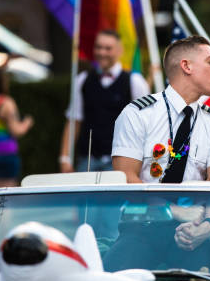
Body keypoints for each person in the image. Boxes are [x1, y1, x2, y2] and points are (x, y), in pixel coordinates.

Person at [112, 35, 210, 184]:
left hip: (195, 206)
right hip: (147, 206)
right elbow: (126, 177)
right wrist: (160, 208)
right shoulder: (138, 114)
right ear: (187, 66)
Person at [60, 29, 150, 173]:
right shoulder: (82, 80)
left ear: (120, 50)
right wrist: (65, 158)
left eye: (108, 48)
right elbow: (73, 121)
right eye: (98, 47)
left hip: (121, 162)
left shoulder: (135, 82)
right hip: (87, 161)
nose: (102, 52)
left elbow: (146, 124)